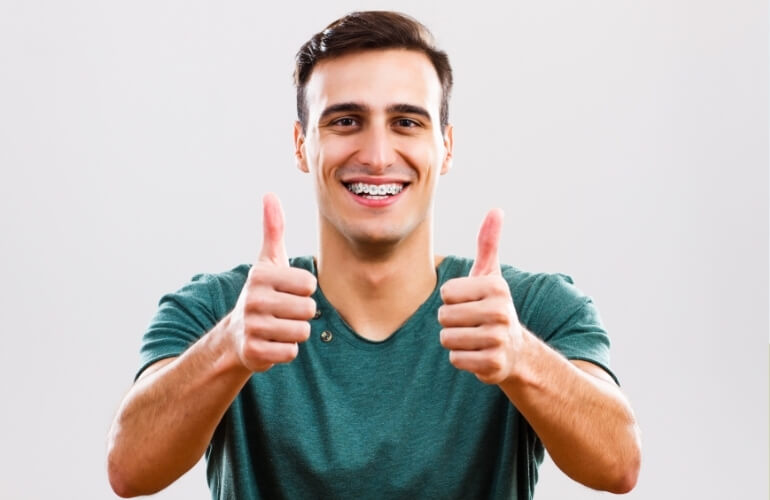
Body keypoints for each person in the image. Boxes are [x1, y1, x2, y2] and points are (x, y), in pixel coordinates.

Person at [107, 10, 641, 499]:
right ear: (301, 145)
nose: (378, 156)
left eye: (406, 122)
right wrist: (228, 348)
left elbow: (619, 465)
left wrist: (523, 359)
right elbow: (129, 469)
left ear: (446, 146)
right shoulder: (225, 309)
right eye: (345, 121)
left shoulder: (525, 309)